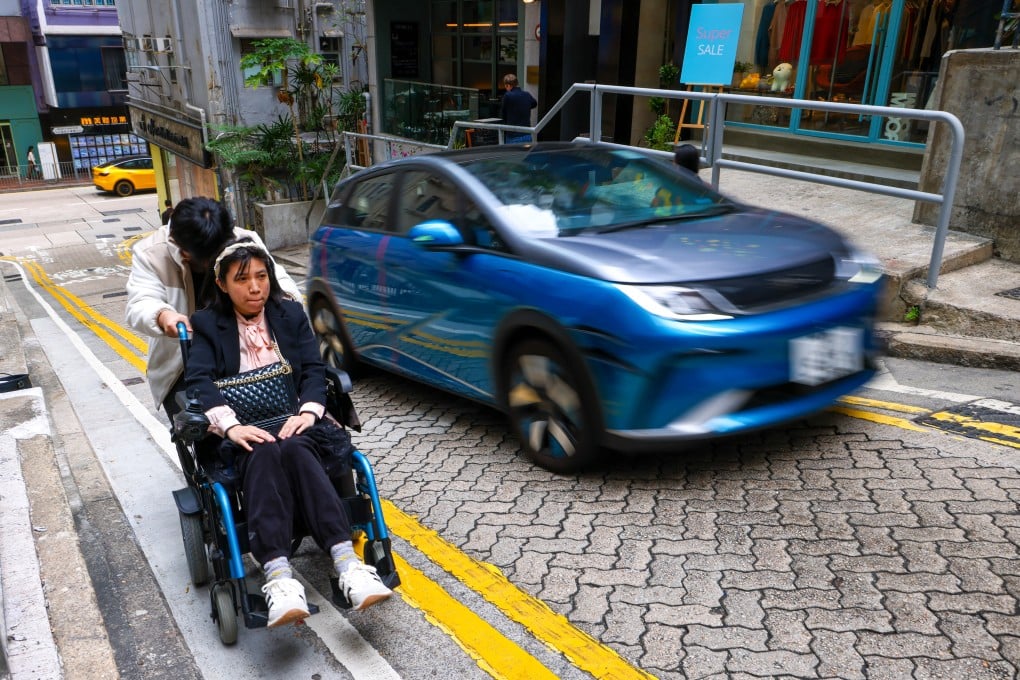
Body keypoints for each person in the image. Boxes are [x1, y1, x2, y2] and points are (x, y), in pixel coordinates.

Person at [185, 238, 393, 626]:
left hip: (293, 420)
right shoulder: (208, 325)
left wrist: (309, 412)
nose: (255, 287)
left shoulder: (289, 313)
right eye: (242, 279)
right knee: (264, 452)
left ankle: (348, 566)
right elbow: (199, 381)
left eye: (262, 276)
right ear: (222, 284)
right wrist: (230, 427)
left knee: (296, 449)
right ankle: (280, 580)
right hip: (243, 431)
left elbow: (315, 369)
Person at [125, 197, 300, 419]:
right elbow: (141, 301)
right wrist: (162, 315)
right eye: (211, 262)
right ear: (185, 253)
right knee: (197, 427)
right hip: (183, 363)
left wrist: (286, 302)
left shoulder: (243, 240)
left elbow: (280, 283)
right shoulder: (150, 253)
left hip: (248, 350)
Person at [499, 73, 537, 143]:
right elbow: (534, 103)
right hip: (527, 134)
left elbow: (503, 113)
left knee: (512, 154)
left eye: (505, 86)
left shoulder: (508, 96)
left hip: (513, 136)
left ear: (508, 85)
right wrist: (525, 107)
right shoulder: (527, 94)